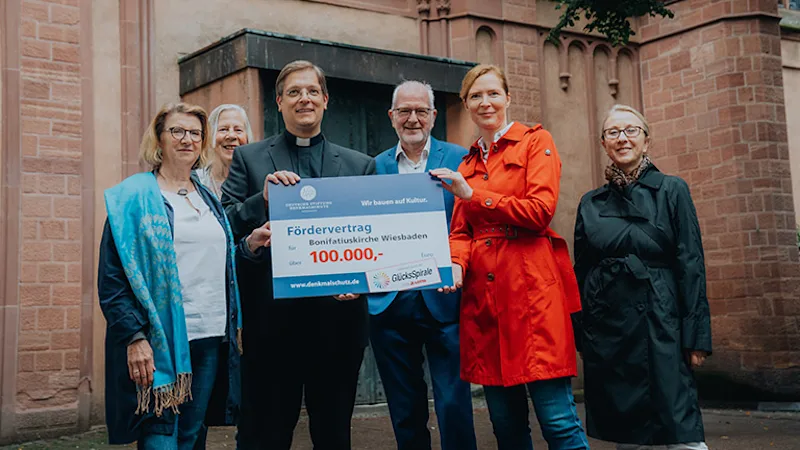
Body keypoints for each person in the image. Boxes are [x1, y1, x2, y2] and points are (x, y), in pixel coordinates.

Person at [431, 64, 589, 450]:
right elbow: (461, 232)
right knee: (506, 424)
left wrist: (475, 196)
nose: (485, 102)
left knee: (558, 421)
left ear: (507, 98)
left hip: (532, 295)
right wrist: (456, 263)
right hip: (485, 305)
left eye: (492, 94)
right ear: (466, 105)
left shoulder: (536, 142)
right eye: (476, 96)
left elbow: (540, 211)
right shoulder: (466, 164)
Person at [221, 60, 375, 450]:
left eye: (311, 91)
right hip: (272, 328)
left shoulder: (360, 166)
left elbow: (376, 243)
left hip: (338, 327)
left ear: (325, 100)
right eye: (293, 92)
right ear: (279, 102)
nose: (303, 98)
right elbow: (223, 225)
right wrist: (262, 201)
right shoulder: (249, 159)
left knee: (334, 434)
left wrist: (361, 283)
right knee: (267, 435)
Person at [98, 102, 243, 449]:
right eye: (176, 131)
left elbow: (224, 260)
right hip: (157, 341)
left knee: (192, 436)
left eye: (195, 133)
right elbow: (113, 279)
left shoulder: (209, 198)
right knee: (160, 438)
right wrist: (134, 337)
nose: (187, 139)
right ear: (159, 140)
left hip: (209, 337)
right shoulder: (133, 197)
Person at [572, 104, 712, 450]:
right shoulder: (590, 203)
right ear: (604, 143)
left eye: (631, 131)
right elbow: (581, 271)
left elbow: (691, 262)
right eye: (613, 133)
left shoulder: (672, 190)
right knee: (627, 435)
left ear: (646, 141)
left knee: (681, 428)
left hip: (661, 319)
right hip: (610, 327)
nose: (622, 139)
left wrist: (695, 336)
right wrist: (583, 332)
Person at [369, 80, 477, 450]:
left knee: (453, 403)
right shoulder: (375, 166)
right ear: (392, 117)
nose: (412, 119)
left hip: (445, 300)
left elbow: (474, 223)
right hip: (391, 302)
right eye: (404, 111)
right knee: (404, 408)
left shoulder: (461, 158)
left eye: (420, 111)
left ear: (433, 116)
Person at [196, 104, 254, 198]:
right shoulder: (196, 182)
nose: (231, 136)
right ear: (210, 136)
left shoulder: (257, 181)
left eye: (238, 130)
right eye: (223, 129)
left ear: (247, 137)